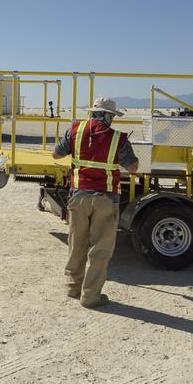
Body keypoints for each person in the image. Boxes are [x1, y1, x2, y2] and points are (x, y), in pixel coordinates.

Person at [51, 97, 138, 309]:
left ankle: (73, 288)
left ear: (93, 113)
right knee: (100, 249)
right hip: (105, 199)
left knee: (76, 243)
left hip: (78, 196)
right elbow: (133, 168)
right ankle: (90, 297)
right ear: (109, 116)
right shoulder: (118, 139)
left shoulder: (75, 131)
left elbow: (56, 154)